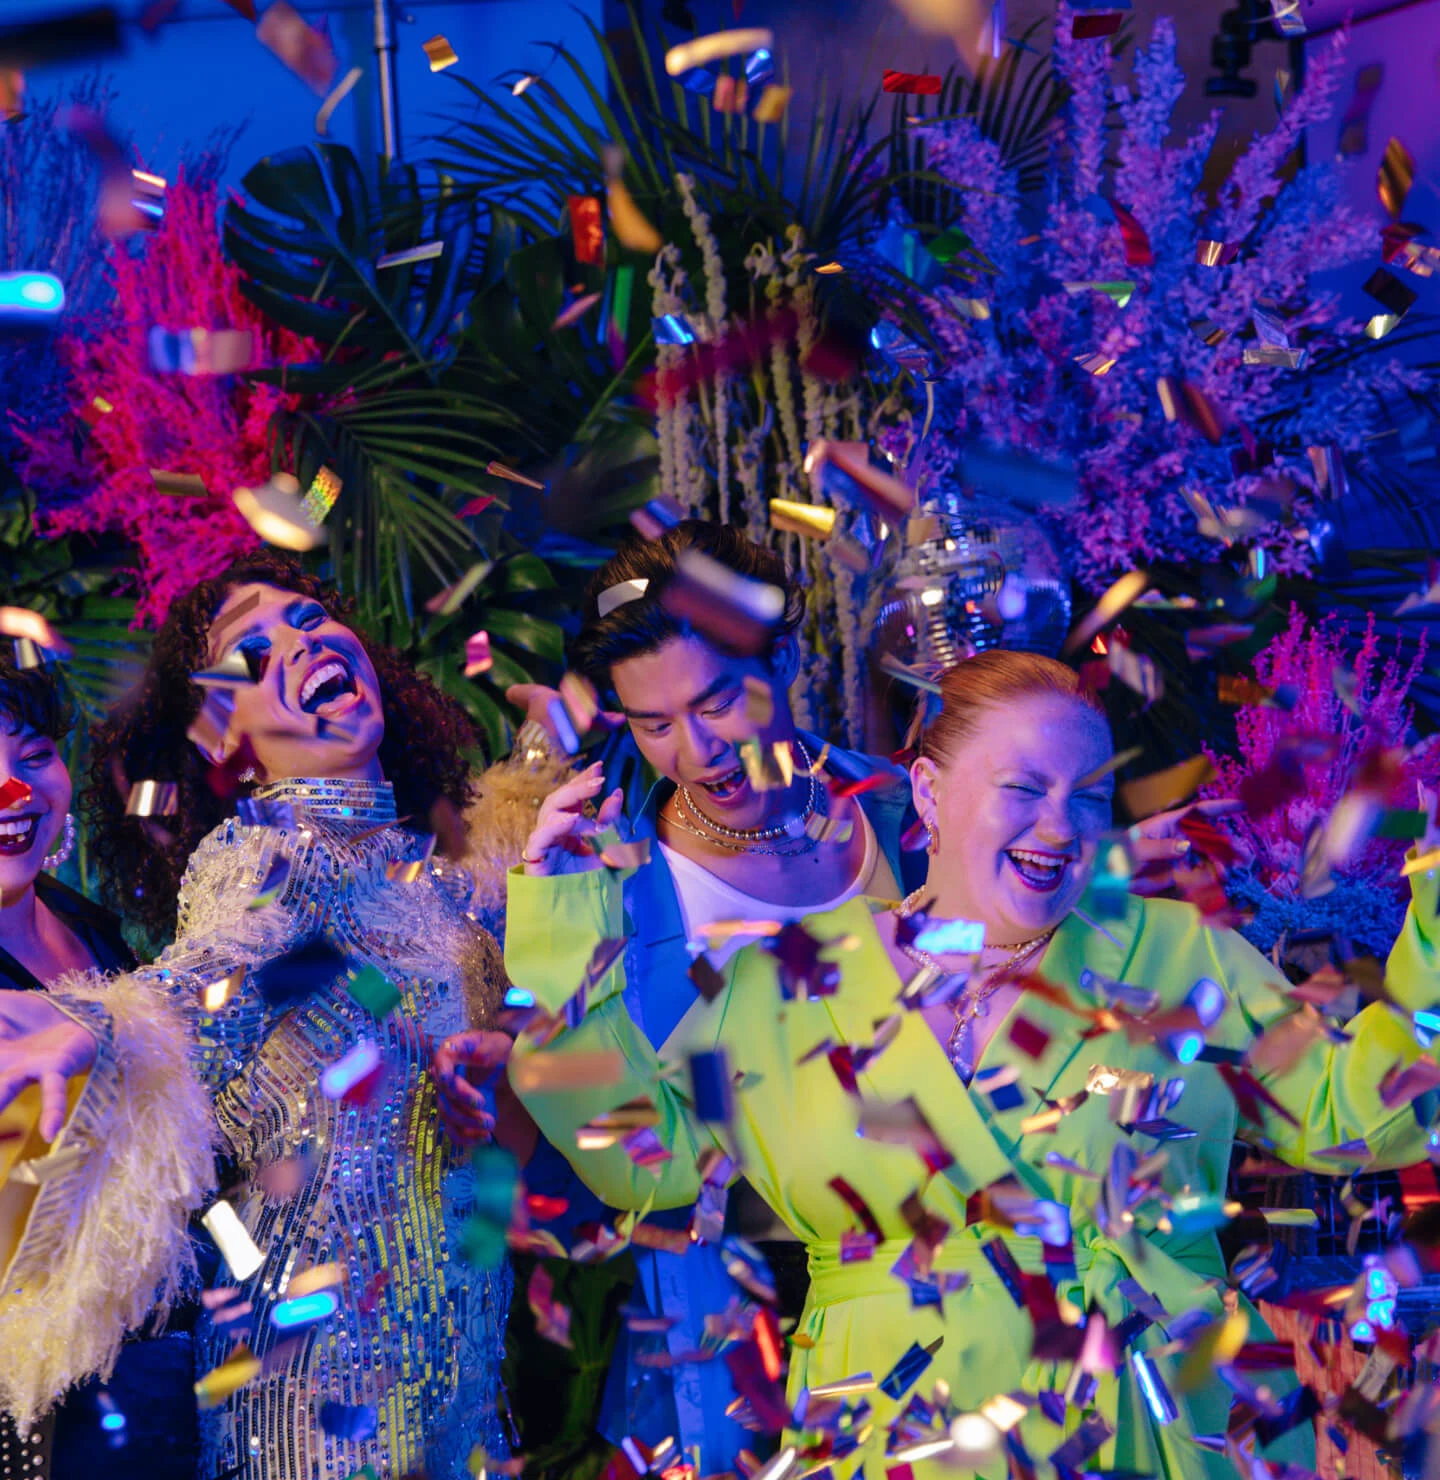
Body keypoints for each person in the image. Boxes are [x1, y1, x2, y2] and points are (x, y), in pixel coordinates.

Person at [504, 648, 1440, 1478]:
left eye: (1088, 798)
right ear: (927, 795)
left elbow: (1360, 1112)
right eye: (1025, 789)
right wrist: (562, 947)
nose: (1063, 827)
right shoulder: (788, 980)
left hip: (1132, 1420)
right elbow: (642, 1158)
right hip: (889, 1430)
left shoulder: (1173, 953)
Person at [0, 552, 518, 1480]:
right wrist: (100, 1024)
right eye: (251, 650)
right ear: (218, 738)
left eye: (311, 621)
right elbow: (210, 977)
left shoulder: (441, 885)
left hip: (460, 1349)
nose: (297, 643)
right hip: (320, 1375)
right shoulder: (265, 857)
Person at [499, 520, 927, 1468]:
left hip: (941, 1295)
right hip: (731, 1319)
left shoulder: (899, 808)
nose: (698, 750)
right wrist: (555, 915)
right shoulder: (615, 878)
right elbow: (633, 1160)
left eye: (719, 701)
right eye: (653, 725)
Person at [0, 649, 207, 1480]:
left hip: (159, 1376)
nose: (13, 790)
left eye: (33, 755)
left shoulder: (83, 920)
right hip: (40, 1411)